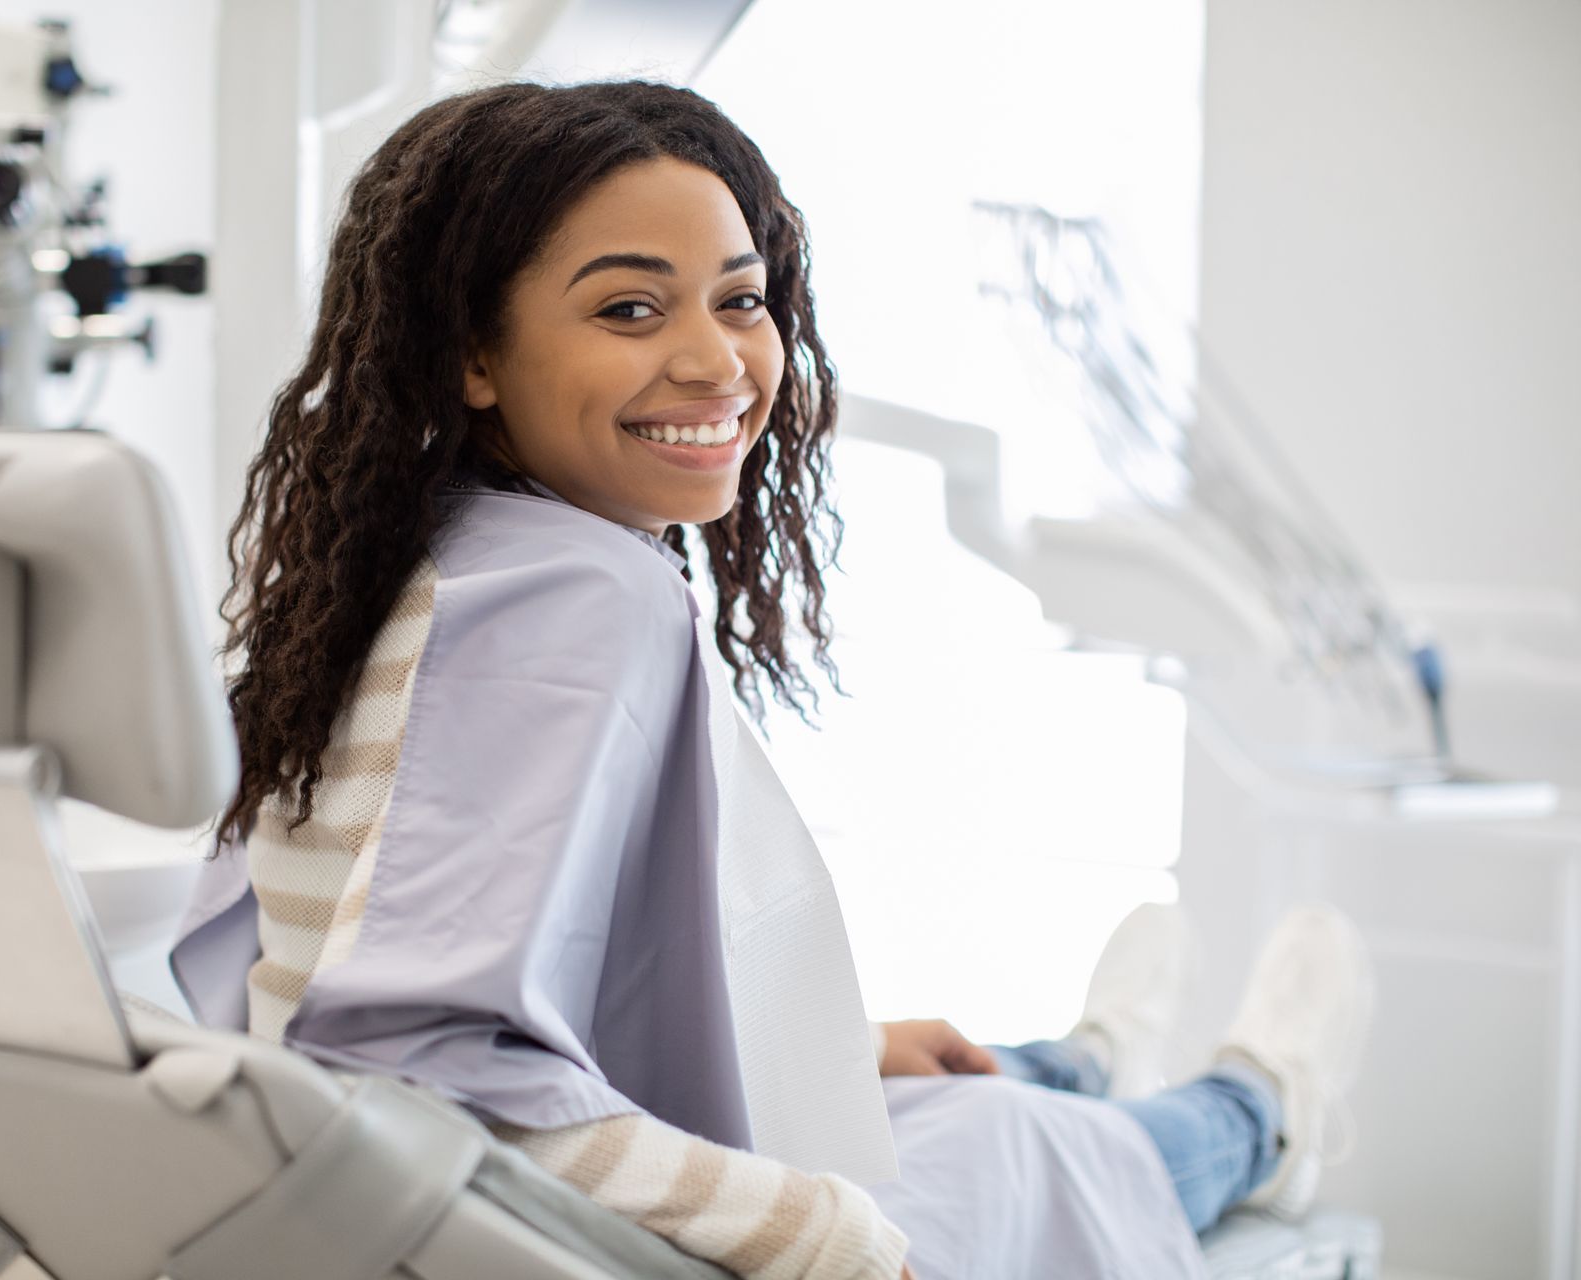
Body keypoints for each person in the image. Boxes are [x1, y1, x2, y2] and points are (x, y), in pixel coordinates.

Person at [169, 79, 1374, 1279]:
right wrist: (831, 1245)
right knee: (1024, 1145)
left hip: (384, 1194)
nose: (719, 361)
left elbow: (362, 958)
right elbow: (429, 1062)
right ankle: (1263, 1111)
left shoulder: (407, 560)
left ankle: (1093, 1053)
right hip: (519, 1224)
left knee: (923, 1088)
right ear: (474, 352)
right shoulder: (584, 597)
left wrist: (835, 1048)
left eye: (741, 299)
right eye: (632, 308)